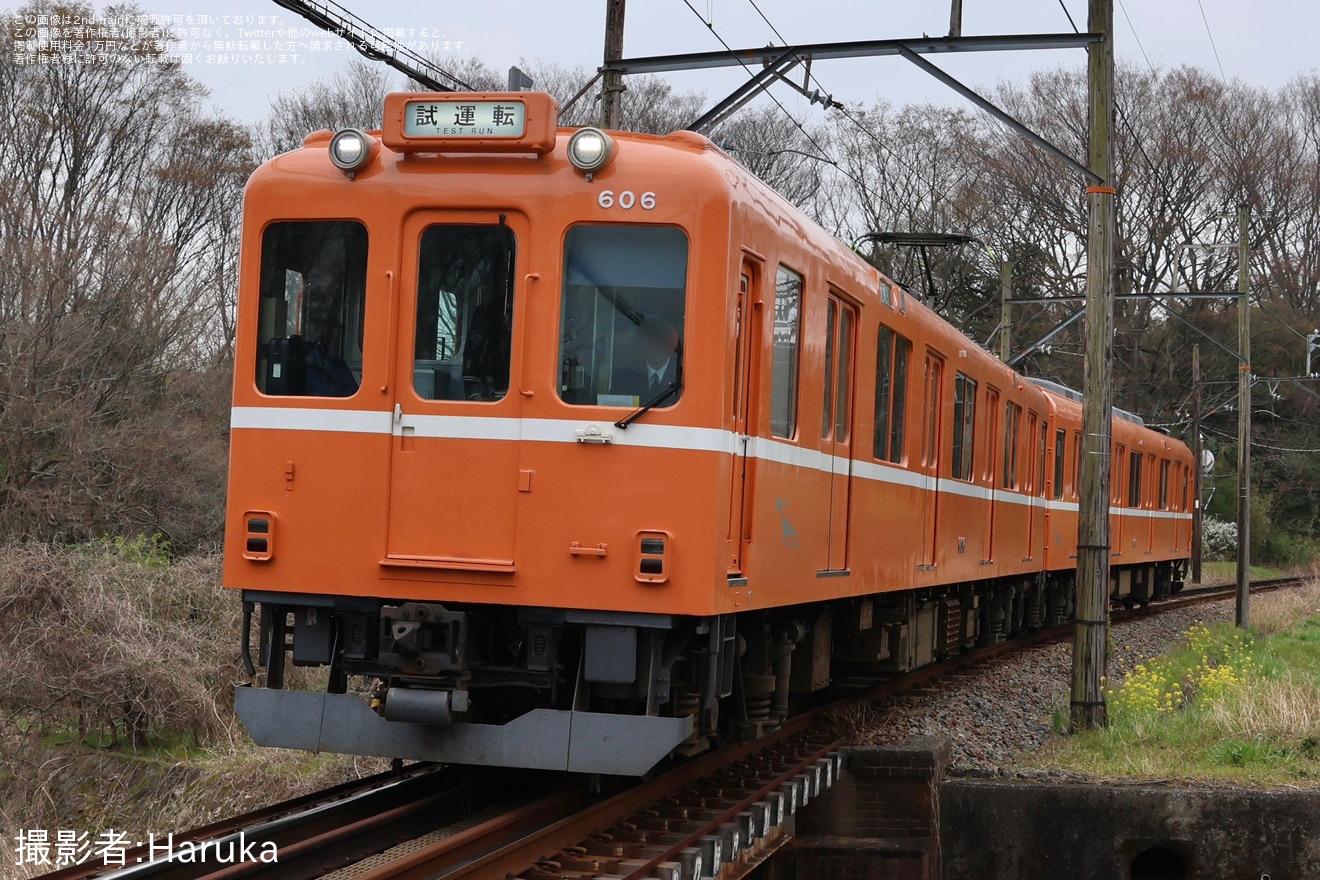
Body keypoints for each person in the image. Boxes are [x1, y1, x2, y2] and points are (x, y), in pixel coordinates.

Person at [612, 314, 681, 402]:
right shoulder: (622, 378)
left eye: (660, 338)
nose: (655, 344)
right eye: (650, 339)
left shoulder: (684, 377)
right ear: (640, 342)